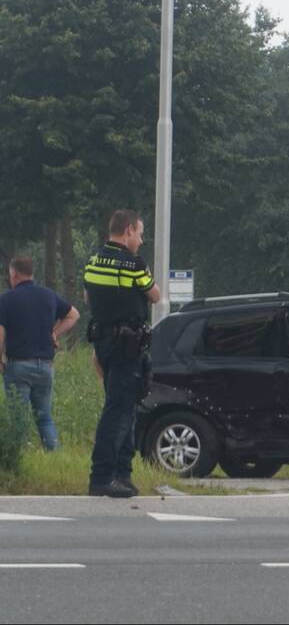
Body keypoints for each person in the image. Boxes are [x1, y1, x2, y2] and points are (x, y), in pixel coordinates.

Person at [84, 210, 161, 498]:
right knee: (117, 412)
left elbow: (88, 298)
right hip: (127, 346)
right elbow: (156, 295)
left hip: (103, 342)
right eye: (139, 233)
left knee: (125, 408)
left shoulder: (93, 260)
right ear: (128, 230)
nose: (140, 240)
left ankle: (123, 474)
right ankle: (102, 477)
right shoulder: (134, 264)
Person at [0, 256, 80, 451]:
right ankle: (55, 457)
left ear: (14, 273)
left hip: (18, 366)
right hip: (45, 366)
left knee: (18, 418)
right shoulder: (48, 295)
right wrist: (54, 333)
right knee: (44, 418)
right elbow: (74, 315)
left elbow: (0, 331)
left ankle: (17, 458)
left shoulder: (6, 299)